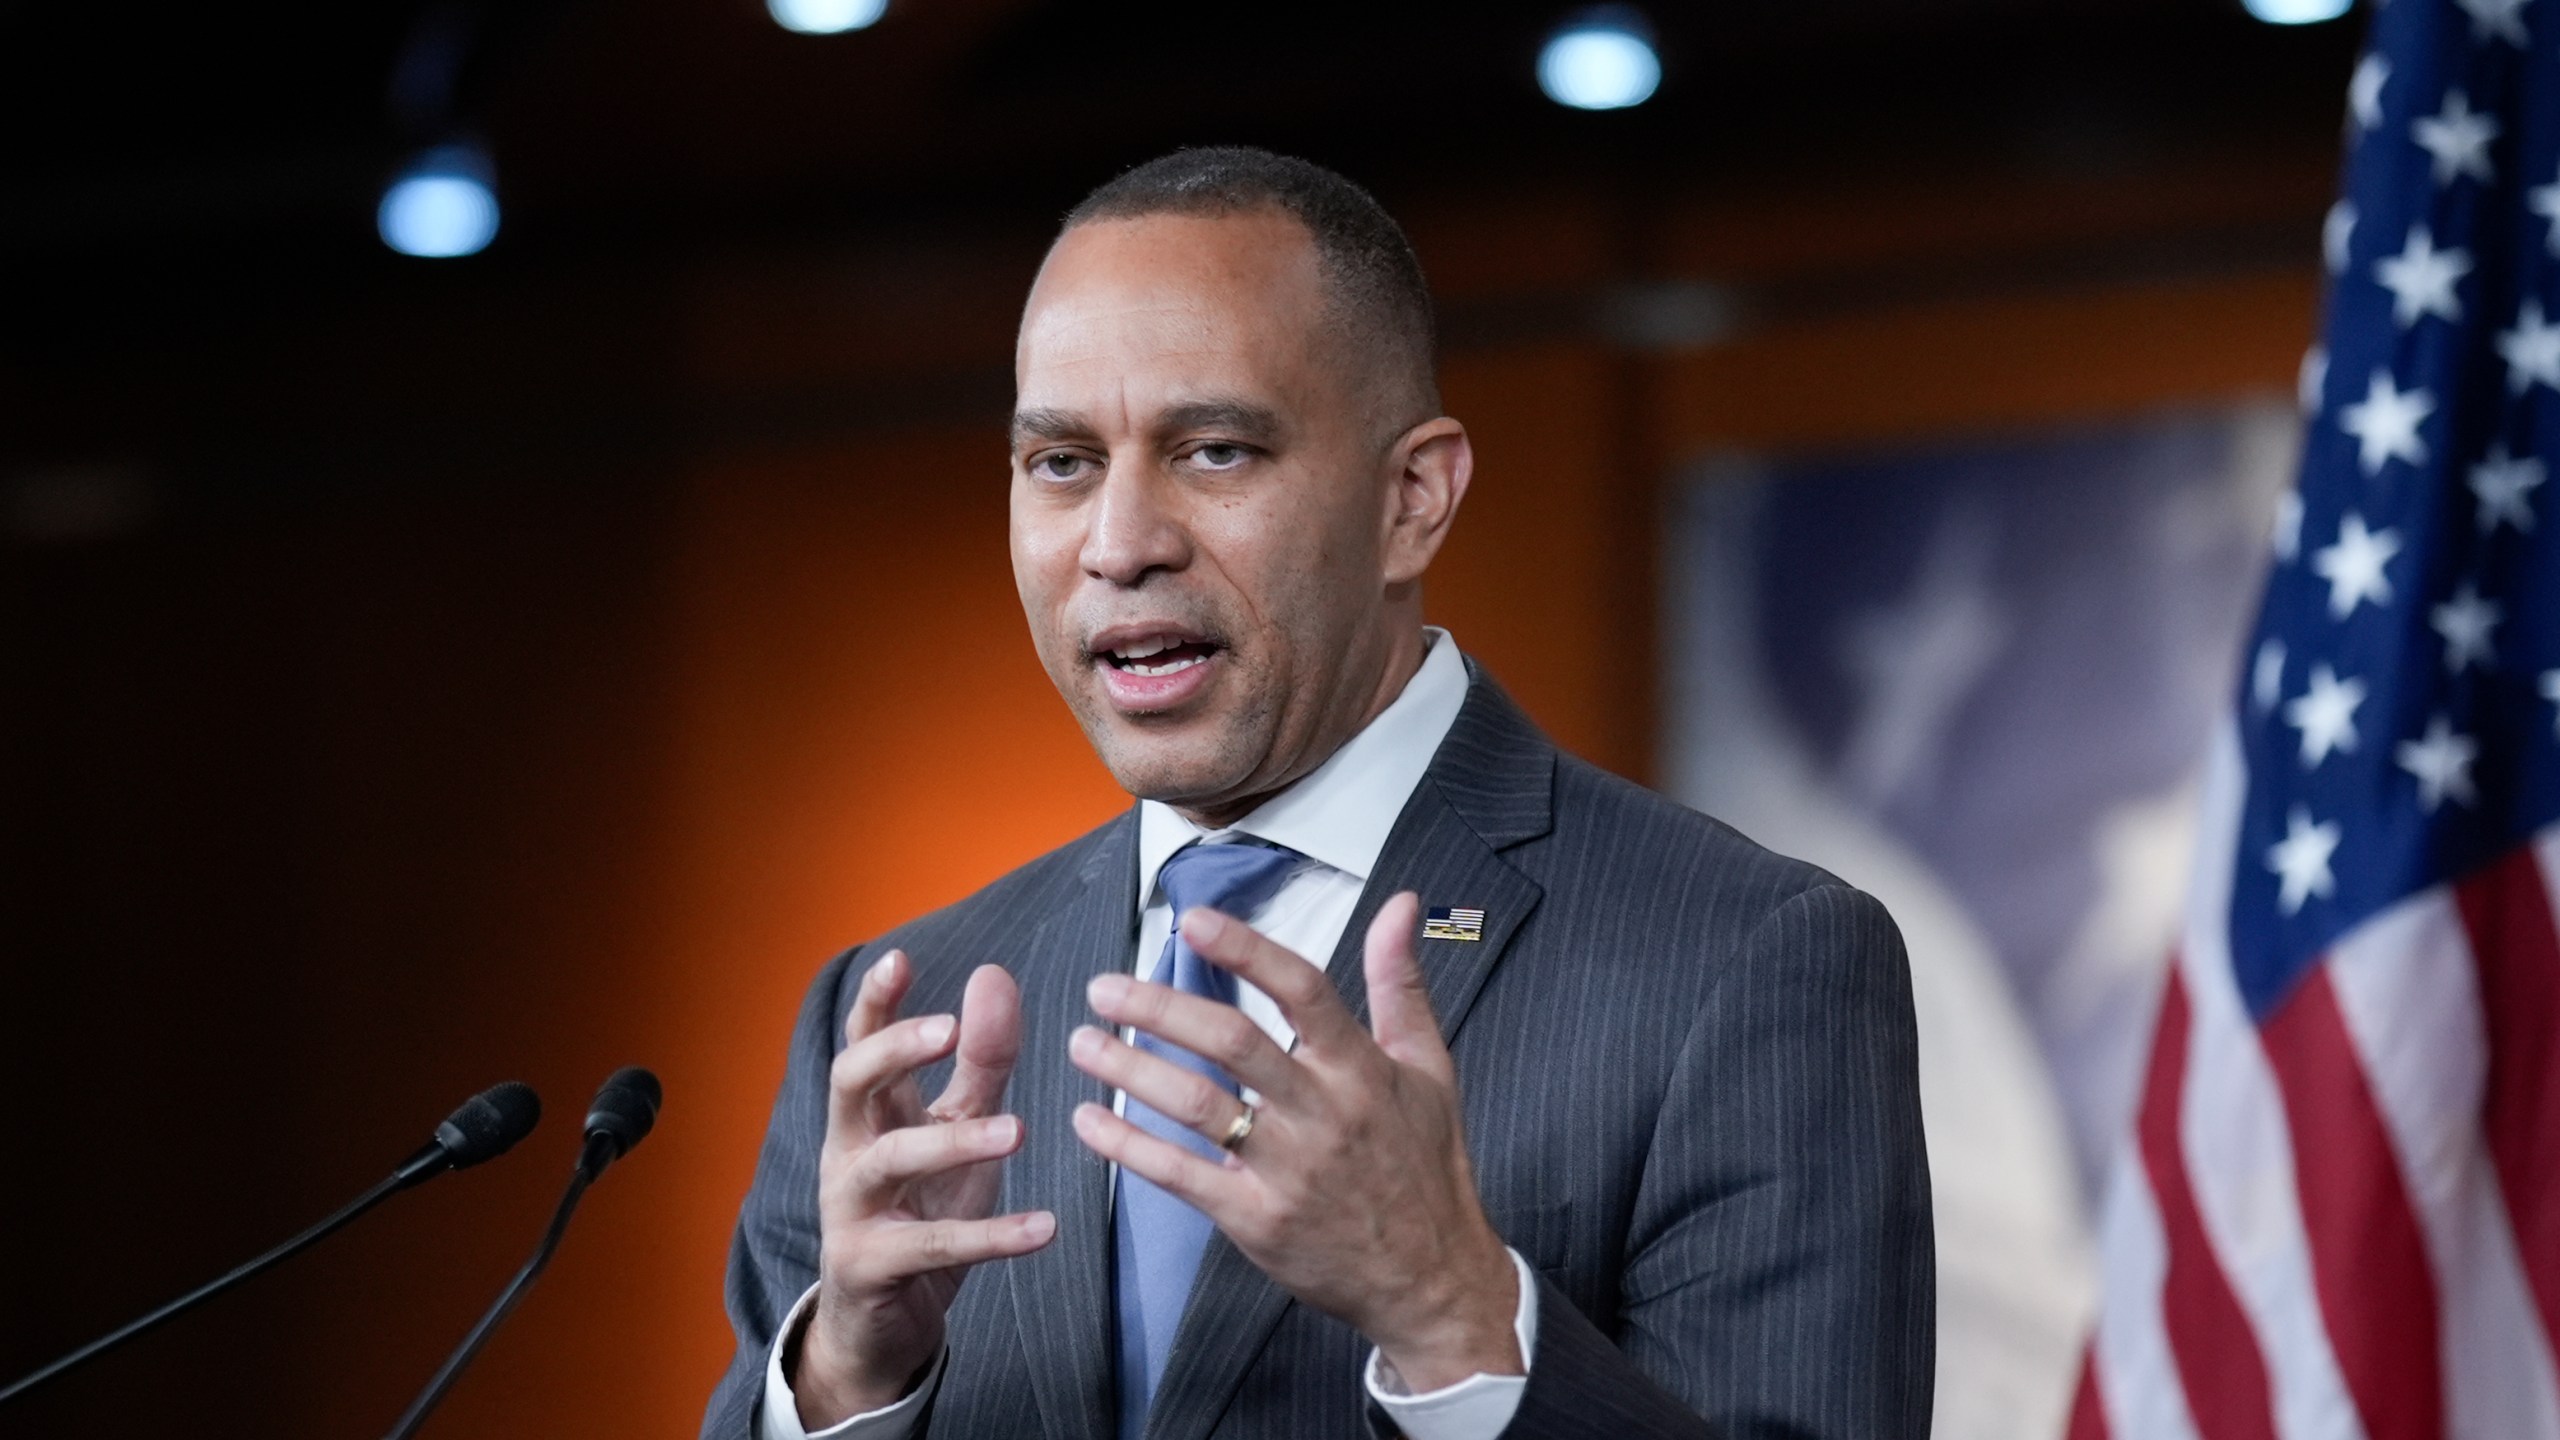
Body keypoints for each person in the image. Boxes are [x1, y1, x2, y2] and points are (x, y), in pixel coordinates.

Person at [702, 146, 1933, 1440]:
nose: (1120, 544)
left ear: (1413, 500)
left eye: (1217, 450)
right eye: (1061, 461)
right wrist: (848, 1380)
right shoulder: (902, 1009)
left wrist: (1458, 1321)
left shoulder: (1750, 957)